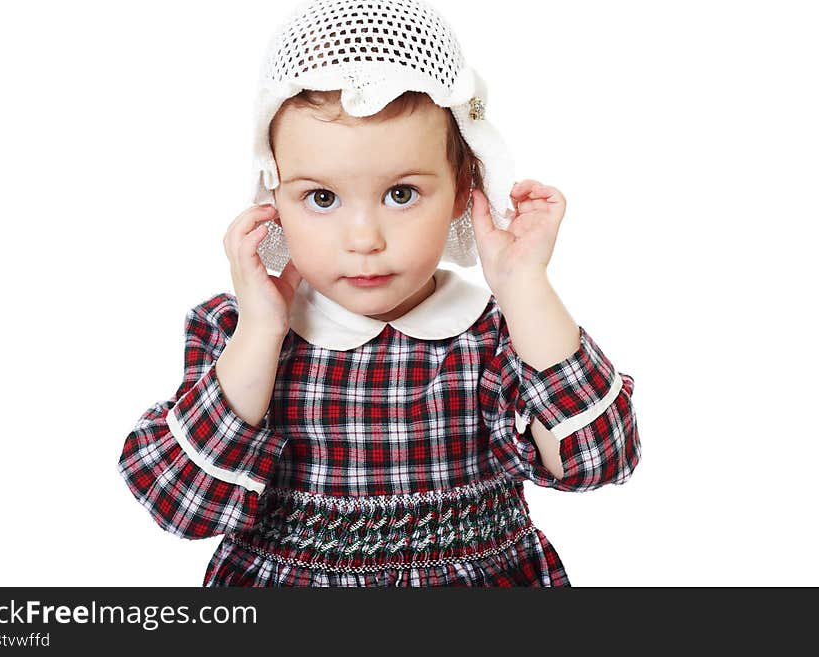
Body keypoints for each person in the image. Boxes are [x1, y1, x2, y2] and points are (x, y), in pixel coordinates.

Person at [117, 0, 641, 586]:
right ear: (274, 196)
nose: (363, 239)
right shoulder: (239, 331)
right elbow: (179, 504)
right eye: (321, 198)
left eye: (401, 194)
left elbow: (600, 460)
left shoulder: (499, 333)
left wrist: (524, 286)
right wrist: (262, 333)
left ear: (464, 188)